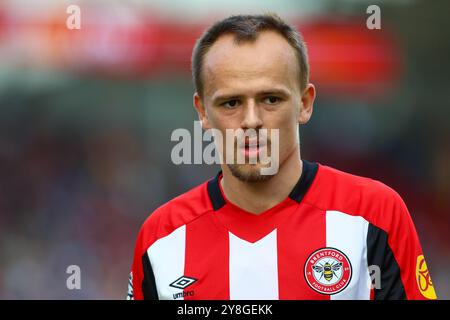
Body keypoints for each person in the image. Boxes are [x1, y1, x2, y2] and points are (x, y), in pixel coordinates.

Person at [127, 13, 437, 300]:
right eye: (231, 103)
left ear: (304, 103)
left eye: (270, 99)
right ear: (202, 112)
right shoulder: (161, 238)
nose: (251, 120)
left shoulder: (375, 214)